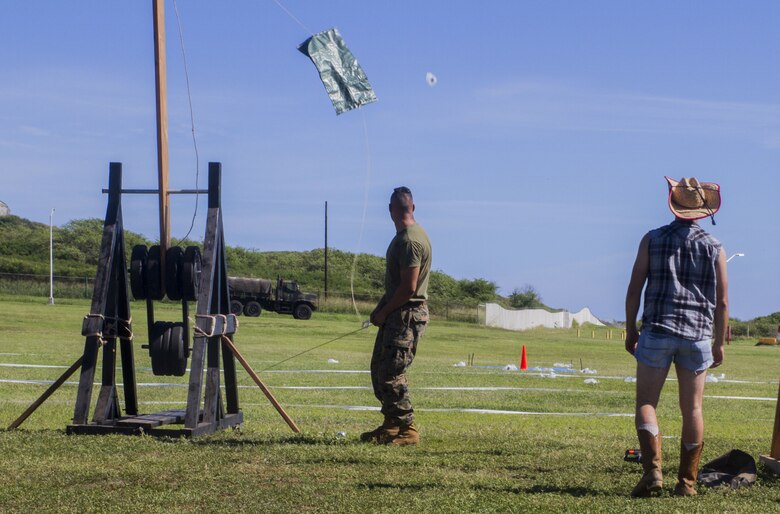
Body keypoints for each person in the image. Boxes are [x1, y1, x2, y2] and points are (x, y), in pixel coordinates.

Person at [625, 176, 729, 497]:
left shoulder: (652, 239)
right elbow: (722, 301)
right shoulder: (715, 247)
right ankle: (686, 482)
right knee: (693, 409)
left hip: (657, 330)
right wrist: (719, 341)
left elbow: (634, 288)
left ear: (673, 205)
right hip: (697, 336)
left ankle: (653, 471)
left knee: (646, 402)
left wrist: (631, 329)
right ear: (702, 209)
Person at [360, 186, 432, 446]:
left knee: (392, 374)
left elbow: (408, 288)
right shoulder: (404, 236)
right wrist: (380, 310)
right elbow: (396, 286)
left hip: (406, 315)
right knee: (379, 370)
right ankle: (391, 425)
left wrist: (386, 311)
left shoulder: (410, 240)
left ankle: (407, 429)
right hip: (396, 313)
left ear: (392, 210)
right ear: (412, 207)